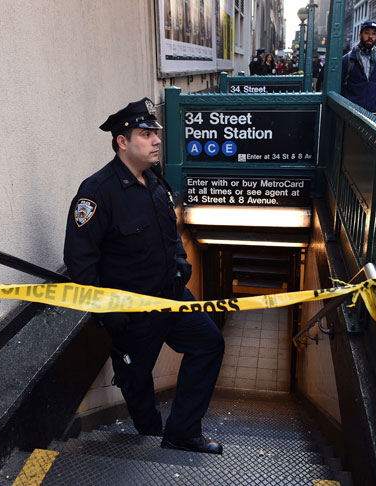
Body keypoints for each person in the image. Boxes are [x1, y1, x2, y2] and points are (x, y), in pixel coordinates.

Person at [63, 98, 225, 454]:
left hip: (172, 297)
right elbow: (80, 262)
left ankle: (182, 431)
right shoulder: (97, 193)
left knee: (209, 344)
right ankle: (150, 438)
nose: (155, 140)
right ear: (122, 142)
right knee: (137, 382)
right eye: (145, 134)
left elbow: (171, 231)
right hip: (133, 313)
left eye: (156, 133)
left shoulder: (155, 181)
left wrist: (181, 260)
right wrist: (108, 312)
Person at [341, 20, 376, 113]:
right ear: (360, 35)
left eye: (374, 34)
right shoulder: (348, 59)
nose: (370, 36)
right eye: (367, 33)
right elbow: (340, 86)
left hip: (373, 113)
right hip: (352, 113)